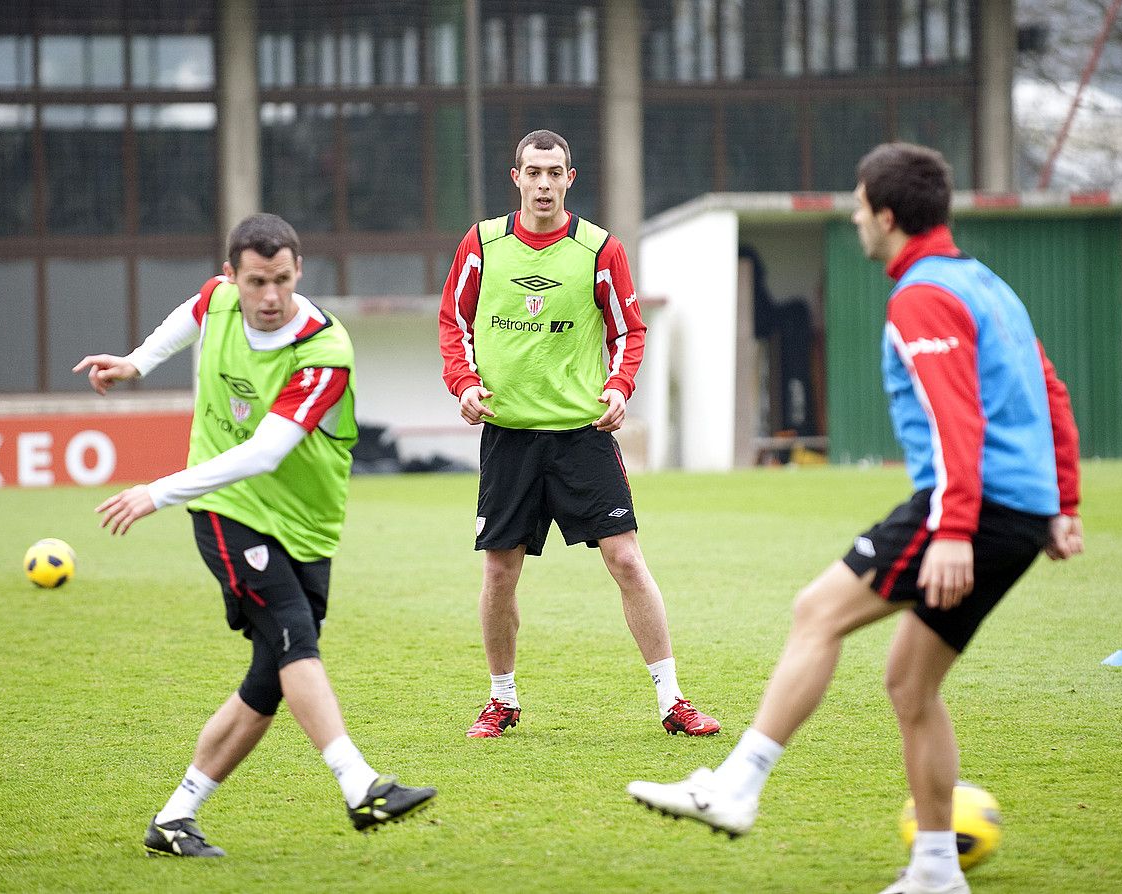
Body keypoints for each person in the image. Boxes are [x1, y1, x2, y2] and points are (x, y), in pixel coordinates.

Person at [627, 143, 1084, 894]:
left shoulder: (923, 297)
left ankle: (736, 786)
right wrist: (1061, 505)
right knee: (910, 684)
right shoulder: (986, 285)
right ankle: (937, 870)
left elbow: (954, 422)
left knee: (816, 613)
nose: (851, 216)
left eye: (858, 203)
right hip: (1017, 511)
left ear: (888, 215)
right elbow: (1052, 391)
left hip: (975, 508)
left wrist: (954, 529)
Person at [74, 213, 435, 857]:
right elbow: (193, 313)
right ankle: (362, 787)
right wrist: (136, 363)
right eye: (256, 282)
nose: (270, 297)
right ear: (231, 278)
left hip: (305, 524)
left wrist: (155, 489)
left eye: (282, 281)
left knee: (271, 676)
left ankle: (173, 818)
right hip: (225, 507)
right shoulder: (218, 302)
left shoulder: (323, 351)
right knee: (293, 636)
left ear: (300, 274)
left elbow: (267, 451)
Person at [438, 129, 719, 739]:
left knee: (625, 558)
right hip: (509, 436)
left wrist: (619, 388)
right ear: (516, 178)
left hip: (580, 435)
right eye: (533, 172)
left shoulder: (600, 250)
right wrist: (463, 383)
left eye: (555, 173)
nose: (544, 183)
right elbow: (454, 322)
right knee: (500, 570)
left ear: (571, 179)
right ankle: (502, 700)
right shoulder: (481, 246)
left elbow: (630, 331)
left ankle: (673, 701)